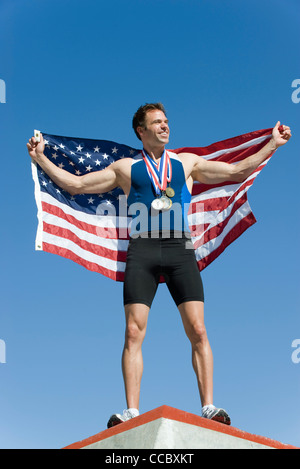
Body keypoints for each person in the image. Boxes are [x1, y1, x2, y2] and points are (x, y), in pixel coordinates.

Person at [27, 103, 291, 427]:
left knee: (197, 329)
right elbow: (77, 185)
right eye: (157, 122)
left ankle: (209, 406)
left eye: (166, 121)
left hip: (180, 251)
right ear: (141, 130)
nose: (165, 126)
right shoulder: (125, 168)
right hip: (142, 252)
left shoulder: (187, 163)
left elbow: (237, 171)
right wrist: (40, 158)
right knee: (133, 331)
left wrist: (272, 145)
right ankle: (132, 412)